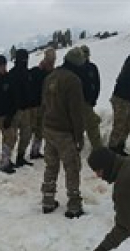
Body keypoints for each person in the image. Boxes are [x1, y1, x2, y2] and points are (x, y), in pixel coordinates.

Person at [40, 48, 90, 218]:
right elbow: (76, 112)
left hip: (49, 128)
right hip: (65, 132)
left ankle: (47, 199)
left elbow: (44, 104)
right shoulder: (73, 80)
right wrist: (79, 136)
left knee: (51, 165)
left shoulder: (50, 76)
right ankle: (74, 204)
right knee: (72, 168)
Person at [9, 48, 37, 168]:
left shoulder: (27, 73)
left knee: (26, 134)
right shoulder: (12, 74)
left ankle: (20, 157)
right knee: (11, 136)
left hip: (26, 109)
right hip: (14, 110)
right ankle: (7, 159)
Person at [28, 47, 57, 160]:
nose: (52, 61)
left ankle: (35, 150)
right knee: (31, 129)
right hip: (35, 104)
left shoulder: (53, 73)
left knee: (41, 129)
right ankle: (28, 151)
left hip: (45, 105)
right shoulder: (37, 72)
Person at [77, 45, 103, 150]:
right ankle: (95, 147)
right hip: (78, 102)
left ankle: (97, 148)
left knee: (91, 125)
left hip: (89, 102)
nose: (86, 57)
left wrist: (94, 99)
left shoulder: (92, 67)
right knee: (85, 125)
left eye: (87, 54)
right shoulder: (76, 68)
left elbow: (97, 84)